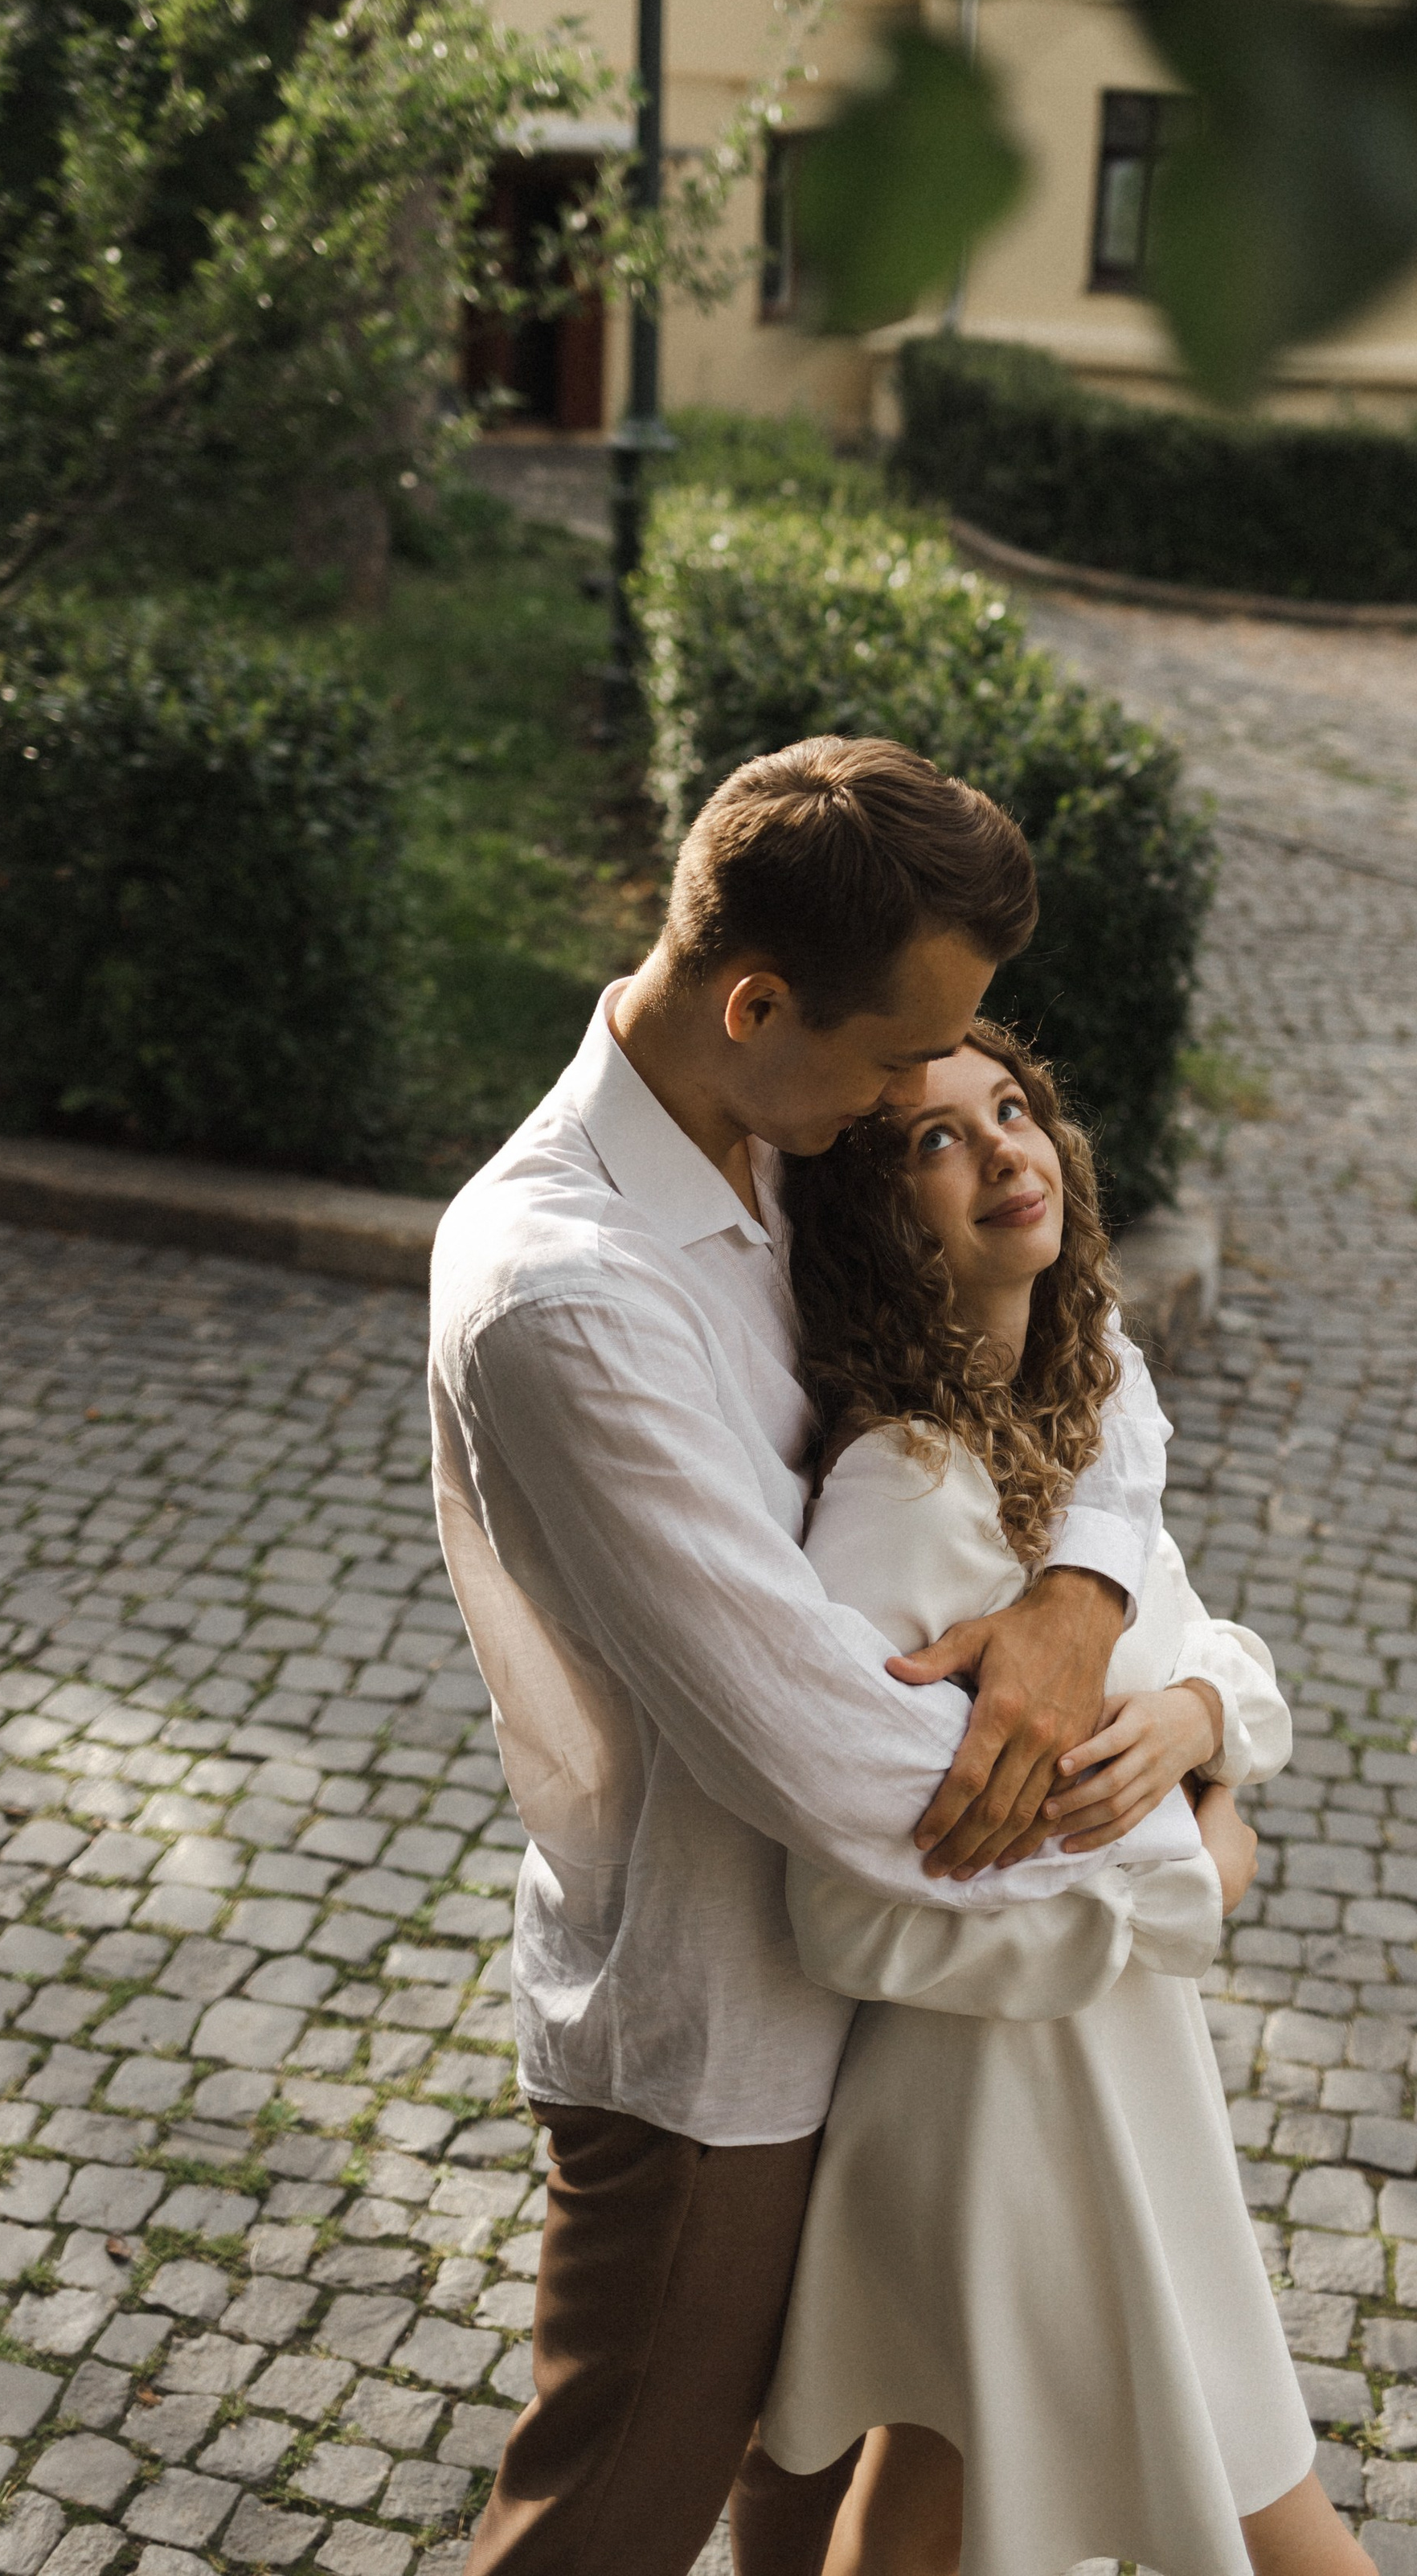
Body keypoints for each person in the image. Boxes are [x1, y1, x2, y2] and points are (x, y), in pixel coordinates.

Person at [430, 738, 1209, 2576]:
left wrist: (1083, 1600)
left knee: (818, 2517)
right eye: (890, 1059)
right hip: (722, 2050)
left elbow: (1081, 1339)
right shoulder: (566, 1298)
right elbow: (839, 1760)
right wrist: (1175, 1839)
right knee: (603, 2533)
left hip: (904, 2016)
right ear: (755, 1000)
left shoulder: (799, 1124)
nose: (915, 1098)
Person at [759, 1023, 1379, 2576]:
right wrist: (1193, 1876)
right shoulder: (903, 1495)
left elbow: (1203, 1638)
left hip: (1110, 2082)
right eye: (936, 1139)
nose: (1002, 1149)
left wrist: (1191, 1717)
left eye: (1011, 1108)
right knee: (1256, 2500)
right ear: (880, 1219)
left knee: (935, 2492)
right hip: (1002, 2116)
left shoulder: (1072, 1412)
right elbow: (843, 1910)